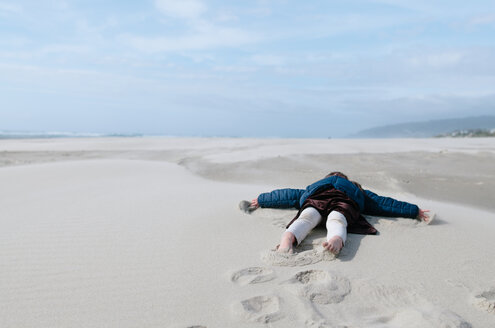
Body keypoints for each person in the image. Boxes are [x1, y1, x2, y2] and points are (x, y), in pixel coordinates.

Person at [243, 172, 431, 255]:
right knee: (338, 219)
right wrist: (414, 210)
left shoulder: (314, 188)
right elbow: (383, 203)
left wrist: (262, 199)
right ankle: (336, 240)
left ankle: (288, 239)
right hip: (344, 202)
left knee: (307, 217)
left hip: (316, 199)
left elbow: (286, 195)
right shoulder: (356, 190)